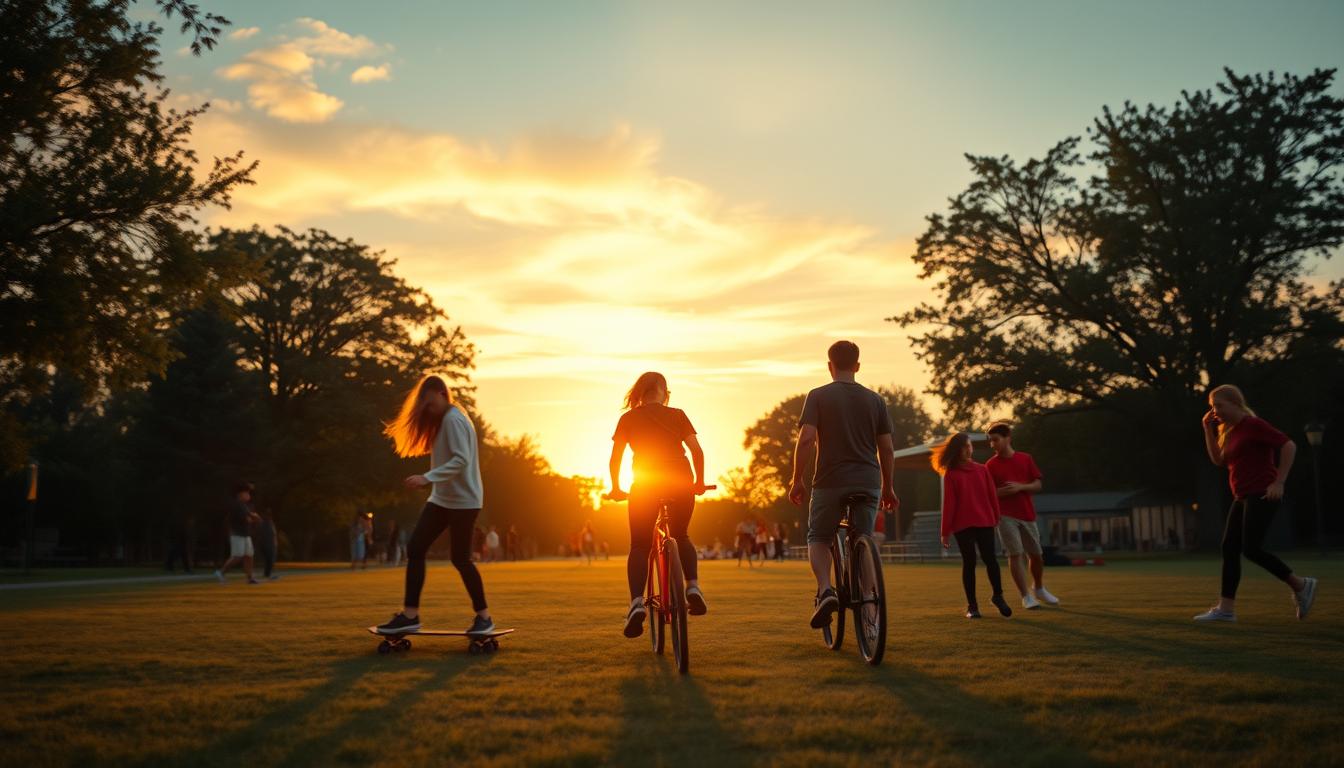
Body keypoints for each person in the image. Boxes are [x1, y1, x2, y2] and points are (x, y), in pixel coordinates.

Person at [788, 340, 898, 630]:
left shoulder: (818, 396)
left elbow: (808, 439)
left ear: (829, 366)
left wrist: (797, 479)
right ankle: (869, 607)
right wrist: (888, 487)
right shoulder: (876, 400)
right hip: (868, 480)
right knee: (865, 538)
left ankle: (826, 590)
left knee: (819, 537)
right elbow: (886, 449)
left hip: (830, 481)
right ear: (858, 366)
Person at [375, 375, 495, 637]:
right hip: (442, 499)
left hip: (464, 501)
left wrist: (427, 478)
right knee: (416, 548)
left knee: (461, 559)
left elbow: (461, 460)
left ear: (442, 394)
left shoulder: (453, 419)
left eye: (430, 404)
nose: (428, 410)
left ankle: (484, 618)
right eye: (425, 406)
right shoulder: (444, 419)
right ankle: (410, 615)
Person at [1194, 385, 1317, 622]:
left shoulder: (1253, 425)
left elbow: (1289, 445)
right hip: (1242, 496)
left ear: (1235, 404)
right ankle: (1226, 610)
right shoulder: (1227, 430)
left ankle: (1301, 585)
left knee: (1250, 549)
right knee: (1229, 548)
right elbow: (1219, 460)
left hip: (1262, 493)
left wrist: (1279, 482)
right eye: (1212, 406)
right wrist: (1207, 428)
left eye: (1218, 405)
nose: (1214, 410)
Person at [607, 371, 710, 638]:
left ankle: (636, 604)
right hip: (680, 479)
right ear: (664, 392)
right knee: (681, 534)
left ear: (639, 393)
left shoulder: (628, 418)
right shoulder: (677, 414)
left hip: (645, 483)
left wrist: (616, 487)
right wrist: (699, 482)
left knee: (640, 544)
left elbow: (615, 458)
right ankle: (693, 587)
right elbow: (697, 451)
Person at [935, 433, 1012, 619]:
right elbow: (949, 505)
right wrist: (945, 532)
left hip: (985, 521)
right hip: (963, 526)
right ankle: (973, 606)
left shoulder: (982, 469)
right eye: (964, 447)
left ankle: (998, 596)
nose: (968, 449)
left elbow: (991, 495)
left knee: (990, 559)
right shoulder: (951, 475)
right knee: (969, 563)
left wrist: (996, 517)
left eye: (969, 446)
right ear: (957, 450)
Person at [985, 423, 1059, 609]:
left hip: (1027, 514)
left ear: (1008, 438)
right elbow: (986, 494)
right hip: (1004, 516)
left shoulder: (1026, 459)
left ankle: (1039, 588)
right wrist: (1002, 492)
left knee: (1036, 555)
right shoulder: (990, 465)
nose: (992, 444)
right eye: (990, 441)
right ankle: (1026, 596)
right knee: (1015, 554)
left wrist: (1020, 487)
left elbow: (1037, 485)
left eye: (996, 440)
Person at [215, 482, 259, 584]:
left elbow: (251, 517)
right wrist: (255, 517)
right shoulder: (237, 504)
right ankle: (220, 573)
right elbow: (249, 518)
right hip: (237, 534)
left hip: (245, 534)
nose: (248, 495)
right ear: (240, 494)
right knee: (237, 556)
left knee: (249, 555)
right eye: (246, 493)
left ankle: (250, 578)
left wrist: (253, 517)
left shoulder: (244, 505)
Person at [256, 508, 279, 580]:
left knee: (269, 560)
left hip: (266, 543)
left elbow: (273, 533)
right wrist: (275, 542)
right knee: (270, 559)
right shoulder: (266, 523)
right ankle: (268, 574)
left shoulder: (265, 522)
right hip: (267, 543)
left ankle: (267, 574)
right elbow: (273, 533)